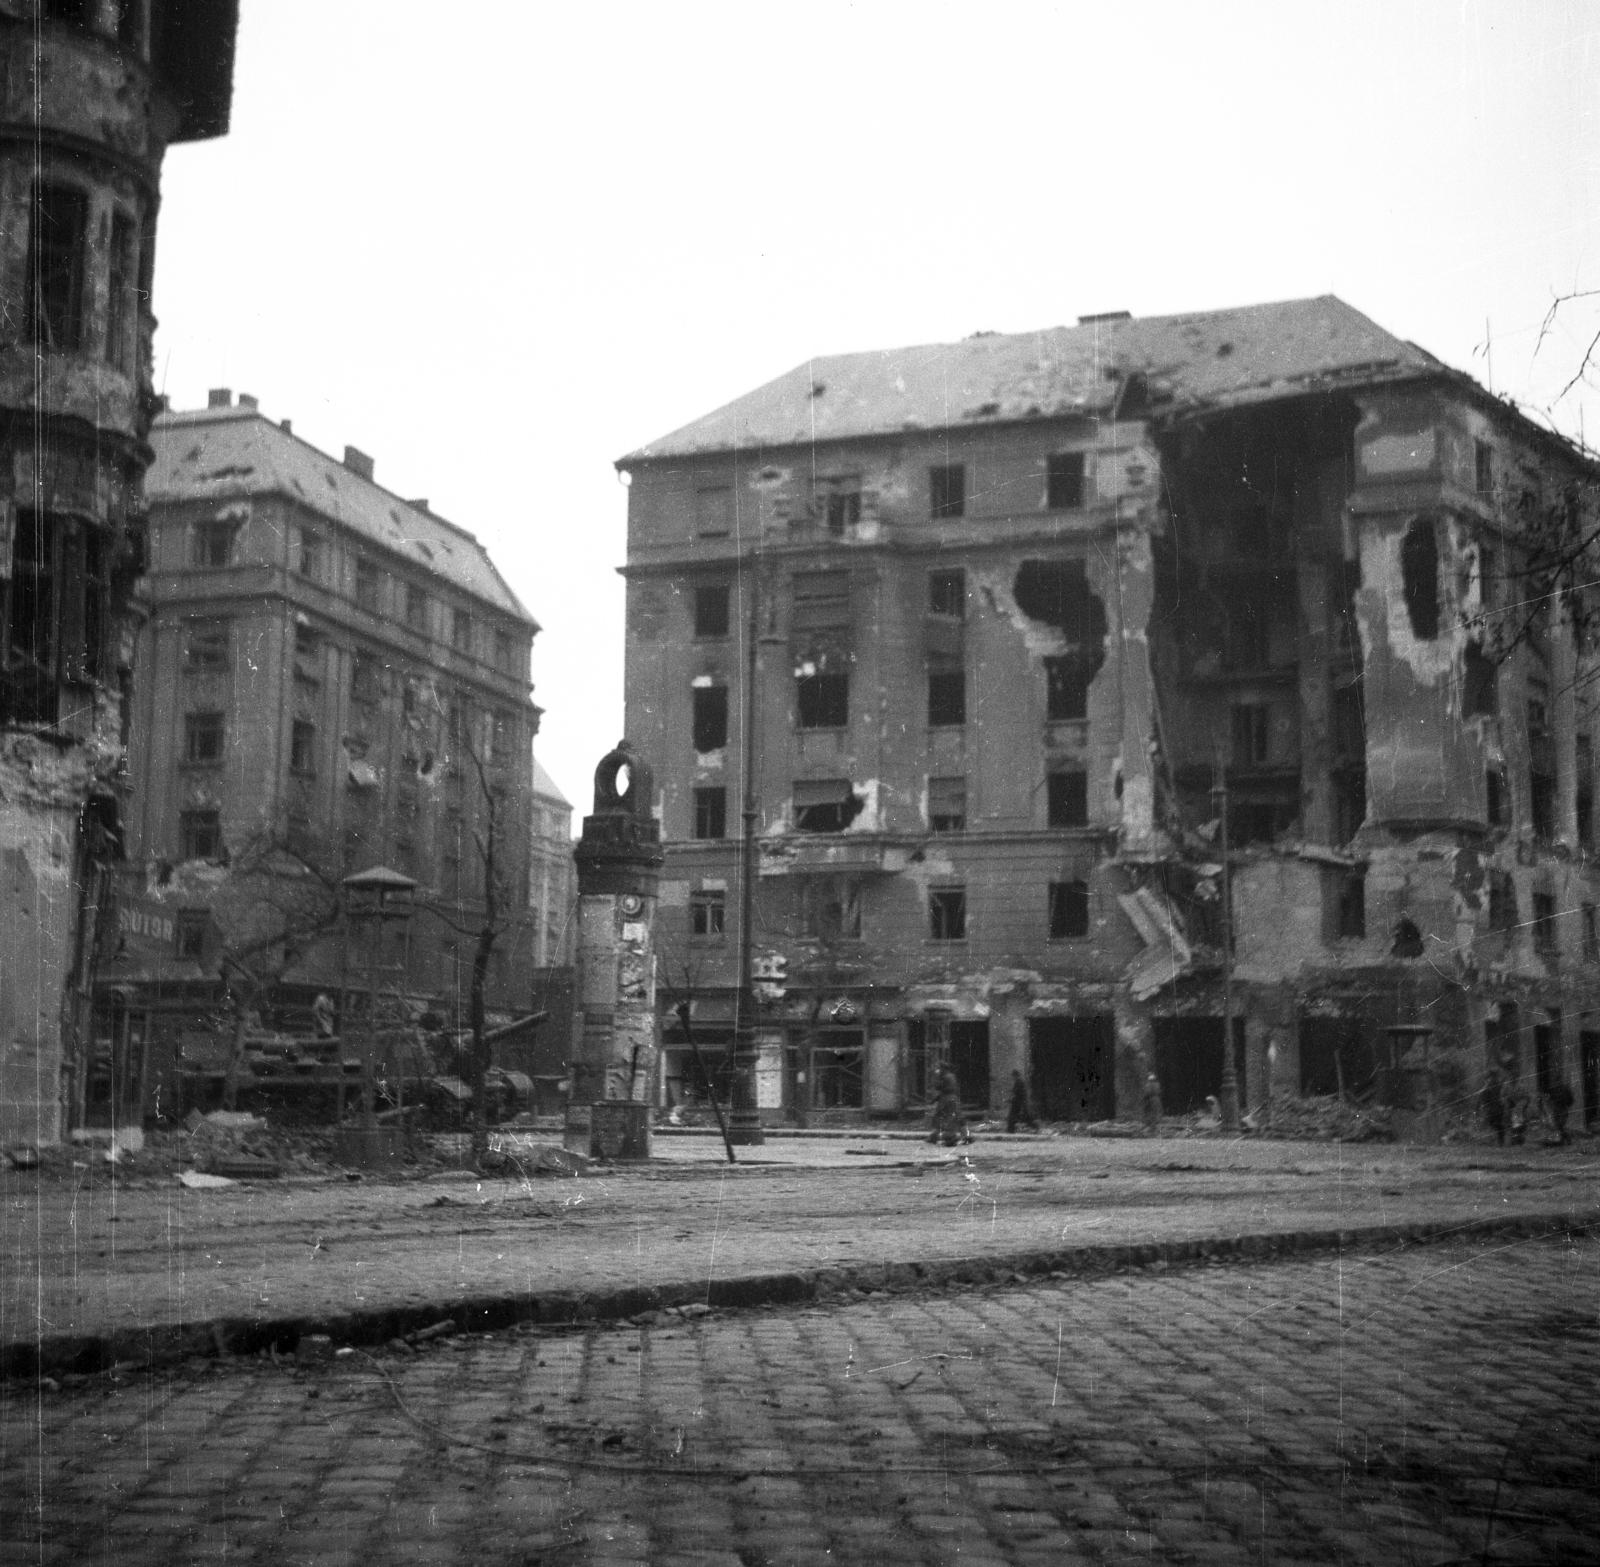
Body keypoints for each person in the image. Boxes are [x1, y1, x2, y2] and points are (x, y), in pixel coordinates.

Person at [929, 1065, 969, 1146]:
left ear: (943, 1069)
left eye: (939, 1069)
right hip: (952, 1098)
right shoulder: (951, 1076)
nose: (938, 1070)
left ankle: (947, 1137)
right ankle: (966, 1136)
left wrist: (936, 1077)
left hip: (947, 1100)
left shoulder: (946, 1077)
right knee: (958, 1117)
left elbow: (939, 1087)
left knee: (943, 1117)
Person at [1546, 1079, 1575, 1146]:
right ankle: (1562, 1140)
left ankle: (1563, 1140)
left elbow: (1570, 1100)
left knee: (1559, 1126)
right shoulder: (1558, 1090)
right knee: (1559, 1126)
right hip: (1559, 1109)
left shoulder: (1561, 1090)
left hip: (1561, 1109)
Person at [1481, 1070, 1506, 1145]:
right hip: (1491, 1111)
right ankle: (1495, 1141)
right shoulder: (1486, 1089)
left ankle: (1499, 1141)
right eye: (1491, 1077)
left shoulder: (1498, 1086)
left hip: (1498, 1109)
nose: (1492, 1079)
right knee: (1494, 1125)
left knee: (1498, 1125)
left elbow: (1502, 1096)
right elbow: (1484, 1102)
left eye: (1494, 1077)